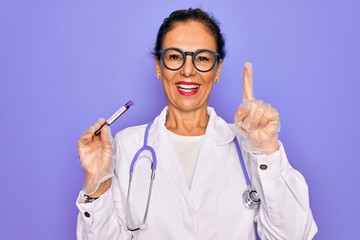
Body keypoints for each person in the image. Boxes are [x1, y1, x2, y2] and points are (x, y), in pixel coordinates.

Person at [76, 8, 317, 239]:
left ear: (218, 69)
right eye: (174, 57)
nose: (188, 70)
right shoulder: (128, 145)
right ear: (158, 67)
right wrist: (97, 185)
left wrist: (267, 152)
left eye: (202, 58)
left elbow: (294, 236)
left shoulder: (249, 145)